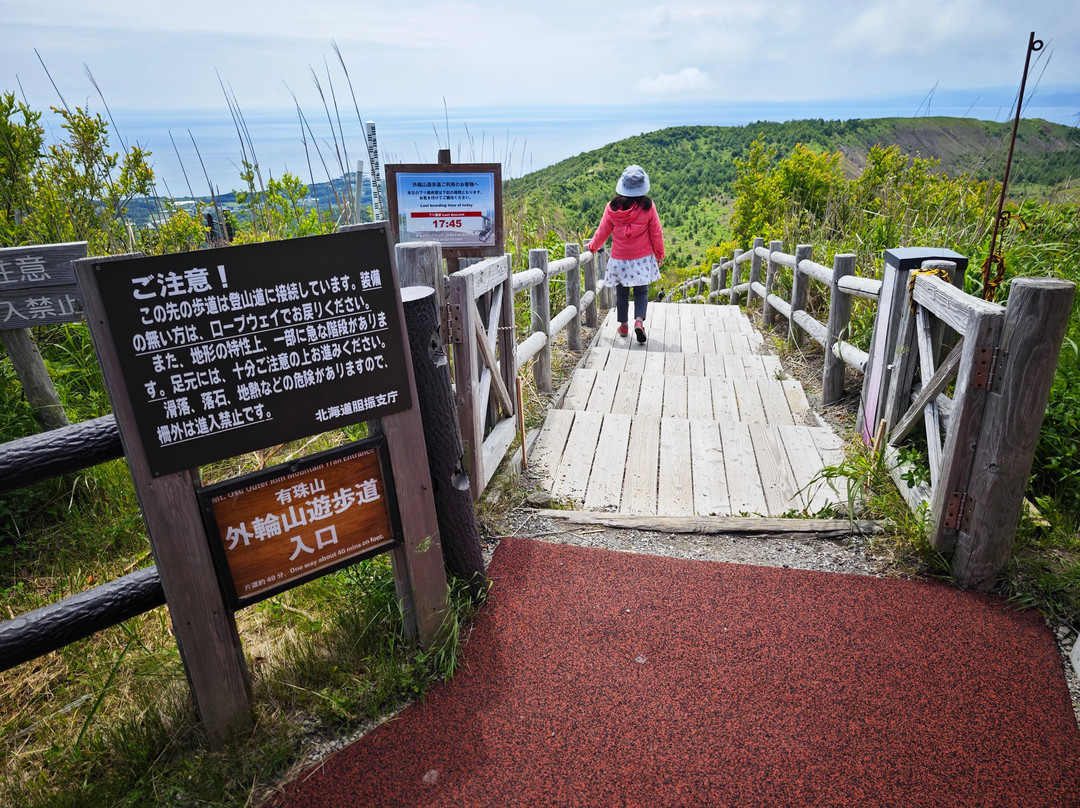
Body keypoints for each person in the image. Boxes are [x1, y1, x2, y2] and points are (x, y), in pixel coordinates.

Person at [587, 164, 665, 343]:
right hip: (642, 258)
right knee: (641, 292)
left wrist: (591, 247)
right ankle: (639, 321)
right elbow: (656, 232)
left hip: (620, 259)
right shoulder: (648, 206)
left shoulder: (612, 207)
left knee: (621, 292)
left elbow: (602, 232)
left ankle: (623, 325)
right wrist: (659, 253)